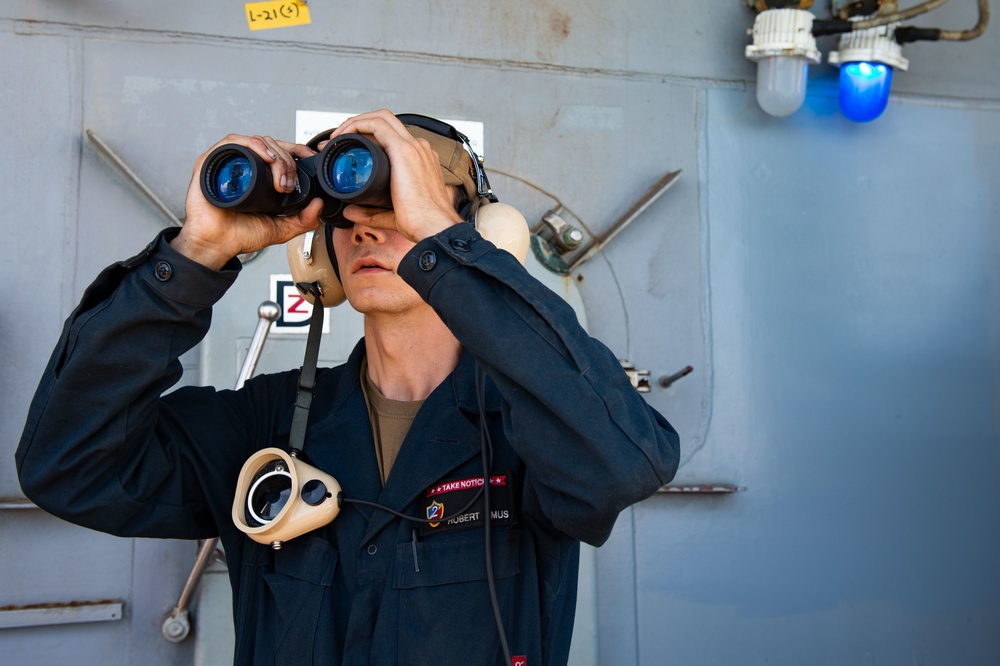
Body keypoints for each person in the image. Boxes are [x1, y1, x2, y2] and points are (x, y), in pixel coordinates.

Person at [16, 109, 680, 665]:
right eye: (342, 211)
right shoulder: (265, 427)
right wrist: (197, 254)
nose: (363, 225)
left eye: (393, 204)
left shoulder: (533, 424)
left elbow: (622, 464)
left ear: (470, 236)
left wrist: (450, 259)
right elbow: (69, 465)